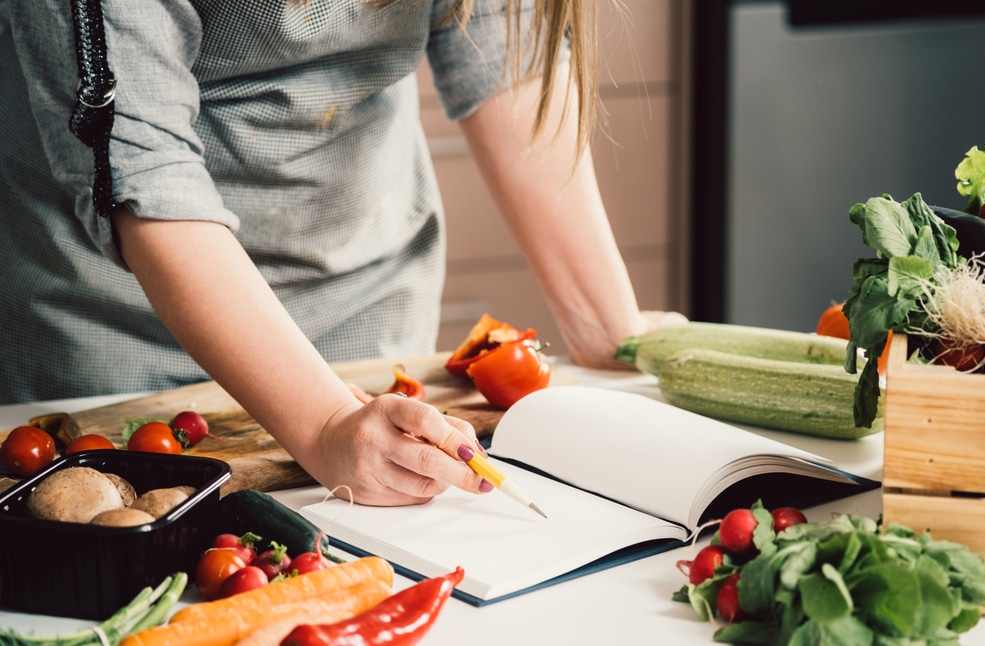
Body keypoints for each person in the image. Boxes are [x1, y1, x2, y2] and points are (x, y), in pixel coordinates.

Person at [1, 0, 686, 506]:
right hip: (113, 335)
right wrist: (326, 424)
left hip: (367, 311)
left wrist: (608, 326)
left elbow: (506, 49)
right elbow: (144, 173)